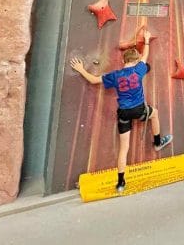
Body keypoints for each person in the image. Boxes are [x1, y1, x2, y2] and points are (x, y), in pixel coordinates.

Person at [70, 30, 173, 193]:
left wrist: (81, 69)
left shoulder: (116, 75)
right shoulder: (139, 70)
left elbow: (94, 80)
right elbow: (145, 56)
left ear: (124, 60)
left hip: (124, 113)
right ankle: (158, 142)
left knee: (123, 149)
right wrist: (146, 40)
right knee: (155, 113)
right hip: (139, 110)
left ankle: (120, 183)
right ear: (136, 60)